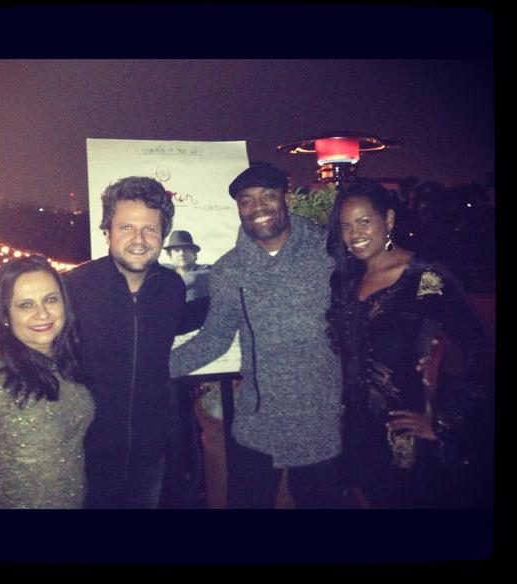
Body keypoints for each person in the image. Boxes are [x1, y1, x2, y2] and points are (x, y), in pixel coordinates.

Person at [170, 164, 344, 509]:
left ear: (286, 199)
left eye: (268, 196)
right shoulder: (229, 269)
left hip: (320, 420)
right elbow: (215, 337)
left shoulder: (329, 254)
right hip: (257, 422)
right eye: (246, 200)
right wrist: (152, 370)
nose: (258, 207)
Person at [325, 180, 494, 509]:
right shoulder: (346, 282)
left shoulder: (427, 278)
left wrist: (443, 422)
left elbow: (479, 353)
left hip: (407, 436)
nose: (355, 233)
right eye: (346, 226)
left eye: (364, 221)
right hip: (358, 432)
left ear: (388, 220)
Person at [62, 176, 191, 509]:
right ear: (107, 231)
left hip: (149, 457)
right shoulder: (73, 287)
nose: (139, 239)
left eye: (150, 229)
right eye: (126, 227)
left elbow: (187, 321)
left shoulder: (172, 288)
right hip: (82, 458)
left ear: (163, 235)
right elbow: (27, 330)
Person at [0, 255, 95, 509]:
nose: (42, 313)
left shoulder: (65, 362)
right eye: (25, 305)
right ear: (5, 315)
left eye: (51, 299)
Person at [164, 230, 211, 301]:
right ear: (170, 256)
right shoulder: (167, 275)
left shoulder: (205, 270)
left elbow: (197, 277)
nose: (181, 253)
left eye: (186, 249)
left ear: (194, 254)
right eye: (177, 250)